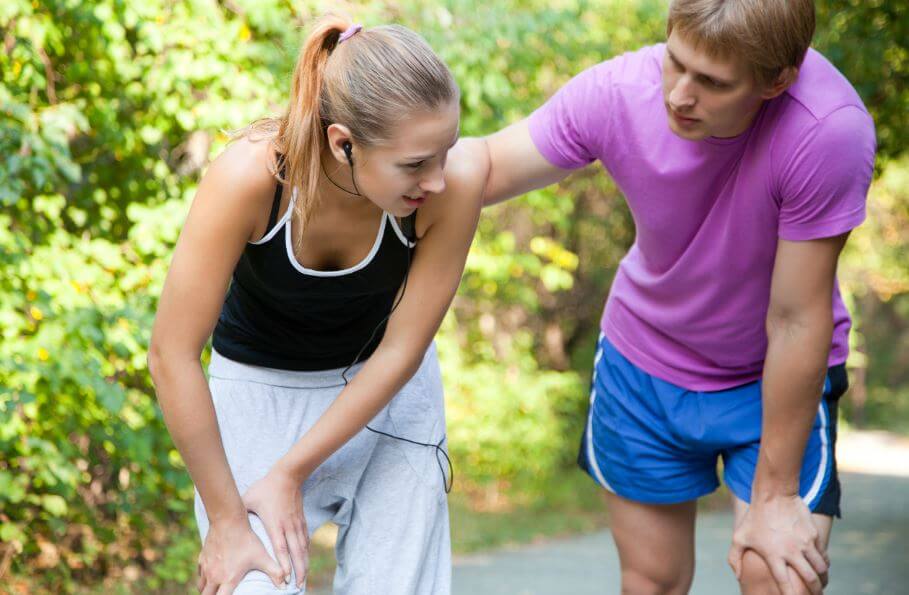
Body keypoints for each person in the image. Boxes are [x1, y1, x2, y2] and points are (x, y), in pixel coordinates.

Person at [482, 1, 875, 593]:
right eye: (675, 62)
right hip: (644, 363)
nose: (679, 95)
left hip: (770, 374)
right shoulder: (618, 92)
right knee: (653, 581)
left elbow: (796, 319)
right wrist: (377, 171)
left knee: (775, 575)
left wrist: (775, 496)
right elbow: (484, 167)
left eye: (713, 83)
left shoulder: (827, 131)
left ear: (776, 81)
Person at [148, 15, 488, 595]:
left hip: (385, 395)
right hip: (260, 394)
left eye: (445, 152)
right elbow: (171, 354)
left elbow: (403, 349)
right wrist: (229, 523)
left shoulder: (454, 185)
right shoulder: (250, 178)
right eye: (414, 164)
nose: (436, 179)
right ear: (343, 143)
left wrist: (292, 472)